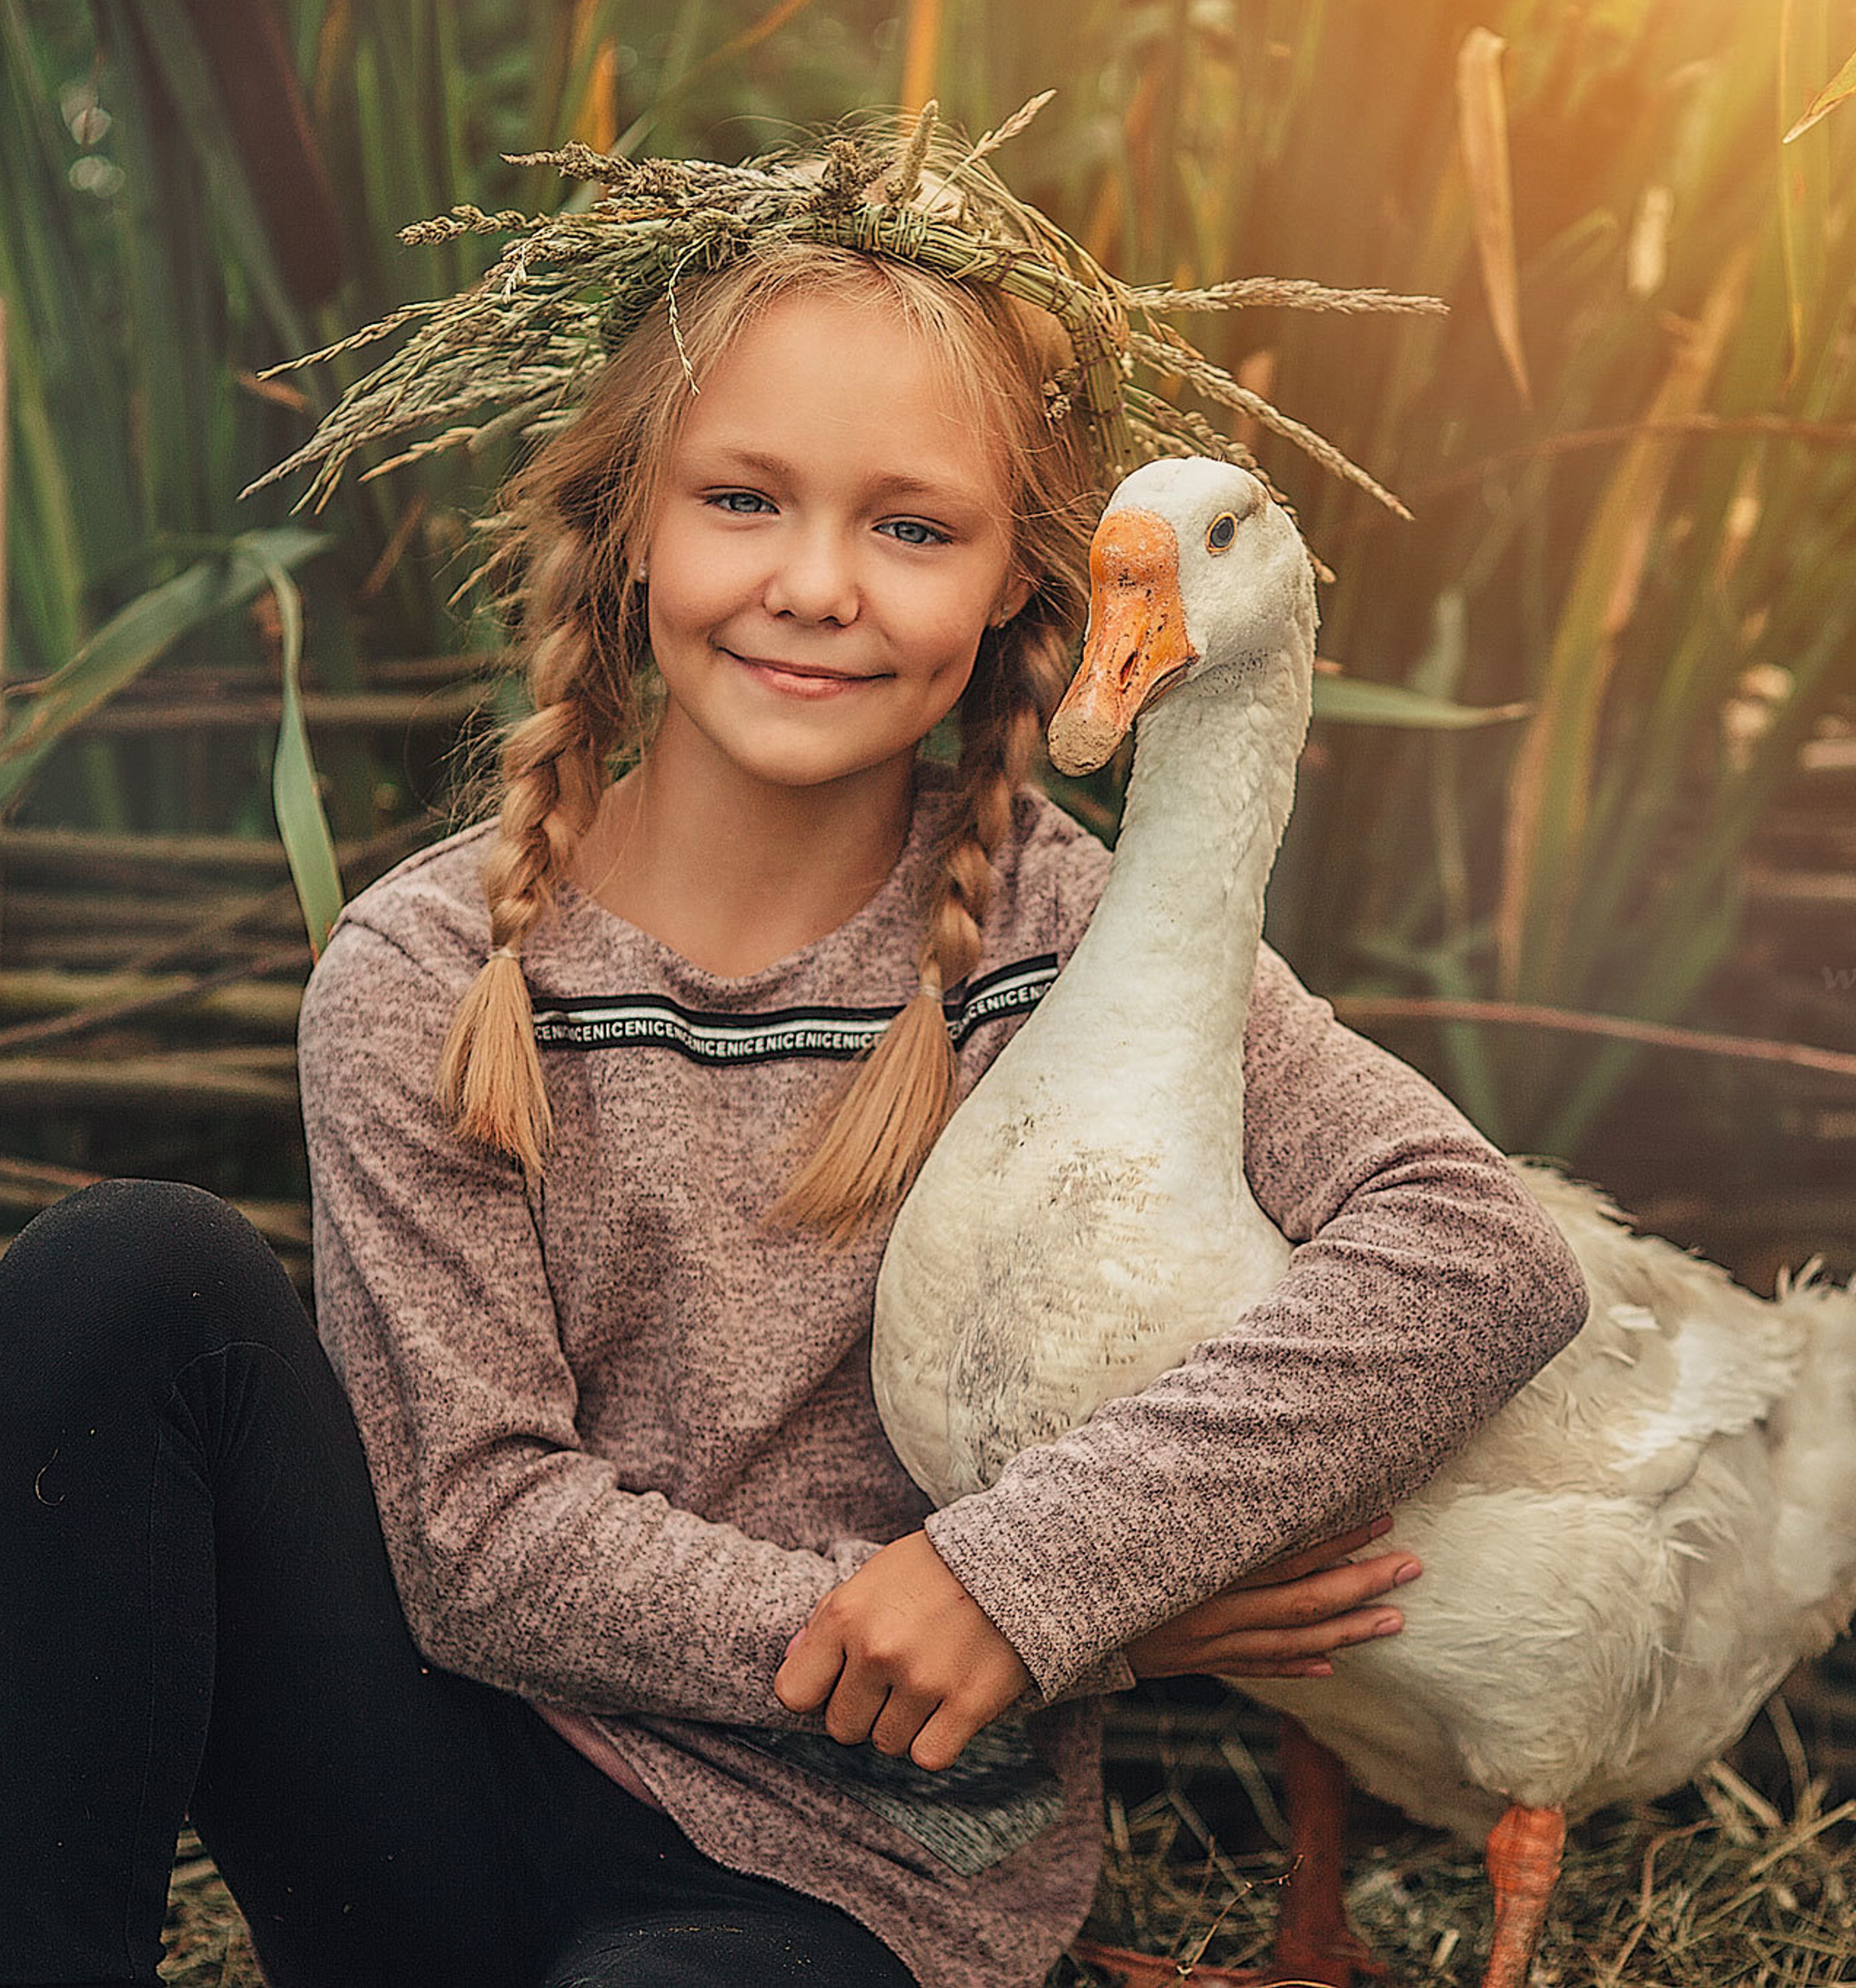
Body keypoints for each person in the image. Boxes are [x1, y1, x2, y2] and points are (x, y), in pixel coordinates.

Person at [0, 107, 1591, 1988]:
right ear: (631, 520)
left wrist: (1037, 1576)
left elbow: (1477, 1252)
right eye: (742, 498)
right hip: (418, 1799)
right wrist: (933, 1619)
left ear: (1019, 577)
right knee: (128, 1273)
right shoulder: (428, 962)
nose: (818, 584)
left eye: (910, 527)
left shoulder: (1074, 943)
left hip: (850, 1875)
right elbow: (481, 1536)